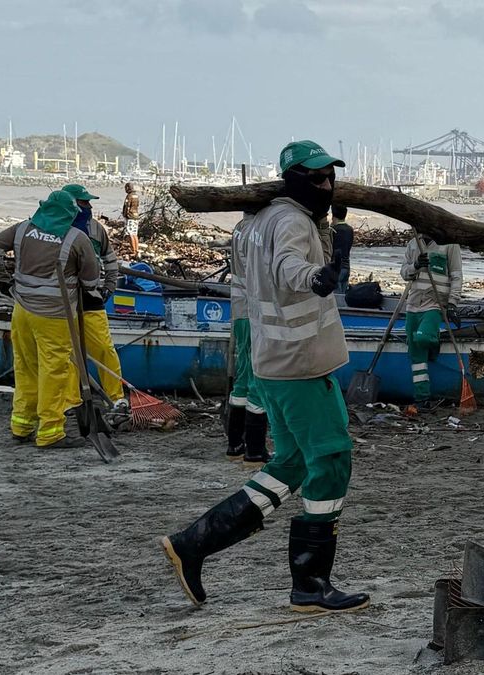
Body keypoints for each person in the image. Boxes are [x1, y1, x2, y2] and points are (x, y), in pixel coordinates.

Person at [161, 140, 369, 613]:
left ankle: (192, 544)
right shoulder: (291, 220)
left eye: (330, 176)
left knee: (292, 464)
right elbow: (290, 266)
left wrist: (329, 239)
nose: (327, 185)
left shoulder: (256, 222)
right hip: (301, 364)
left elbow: (279, 263)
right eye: (316, 177)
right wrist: (317, 276)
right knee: (331, 459)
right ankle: (310, 583)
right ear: (293, 179)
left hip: (272, 361)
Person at [0, 191, 100, 448]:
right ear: (70, 214)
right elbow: (91, 281)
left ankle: (21, 425)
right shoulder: (76, 238)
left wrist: (3, 279)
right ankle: (50, 432)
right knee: (53, 371)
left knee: (25, 367)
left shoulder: (23, 229)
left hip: (22, 310)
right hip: (55, 315)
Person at [59, 184, 127, 412]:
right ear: (70, 204)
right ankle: (72, 402)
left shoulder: (96, 229)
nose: (88, 206)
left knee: (104, 349)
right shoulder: (54, 227)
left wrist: (110, 285)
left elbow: (110, 259)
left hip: (91, 298)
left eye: (88, 202)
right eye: (83, 202)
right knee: (69, 352)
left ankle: (116, 398)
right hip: (62, 301)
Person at [223, 210, 271, 466]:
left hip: (240, 310)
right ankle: (254, 448)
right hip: (256, 312)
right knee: (257, 378)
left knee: (243, 375)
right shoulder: (260, 230)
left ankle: (235, 444)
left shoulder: (240, 227)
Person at [400, 233, 463, 409]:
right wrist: (416, 265)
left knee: (423, 338)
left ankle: (434, 343)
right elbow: (404, 273)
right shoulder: (413, 243)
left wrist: (452, 303)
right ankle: (422, 397)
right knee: (416, 354)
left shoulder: (449, 244)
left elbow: (456, 275)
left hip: (435, 303)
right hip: (413, 304)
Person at [331, 205, 352, 294]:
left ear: (333, 216)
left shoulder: (333, 230)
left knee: (336, 297)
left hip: (336, 268)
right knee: (343, 295)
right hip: (347, 266)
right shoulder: (350, 229)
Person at [122, 183, 141, 256]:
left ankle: (133, 251)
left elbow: (127, 207)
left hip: (130, 217)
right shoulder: (136, 196)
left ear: (128, 188)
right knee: (135, 234)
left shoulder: (129, 196)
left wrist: (125, 215)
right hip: (136, 216)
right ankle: (136, 250)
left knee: (130, 234)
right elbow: (137, 205)